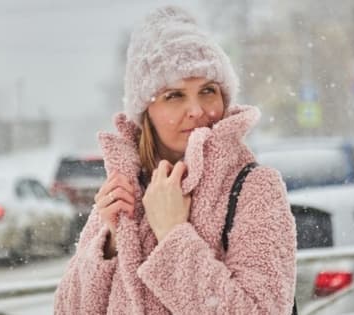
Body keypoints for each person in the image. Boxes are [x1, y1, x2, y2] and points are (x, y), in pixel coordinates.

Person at [54, 5, 296, 315]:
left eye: (208, 90)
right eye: (174, 95)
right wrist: (110, 243)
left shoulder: (255, 188)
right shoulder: (125, 187)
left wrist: (173, 236)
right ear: (146, 113)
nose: (196, 110)